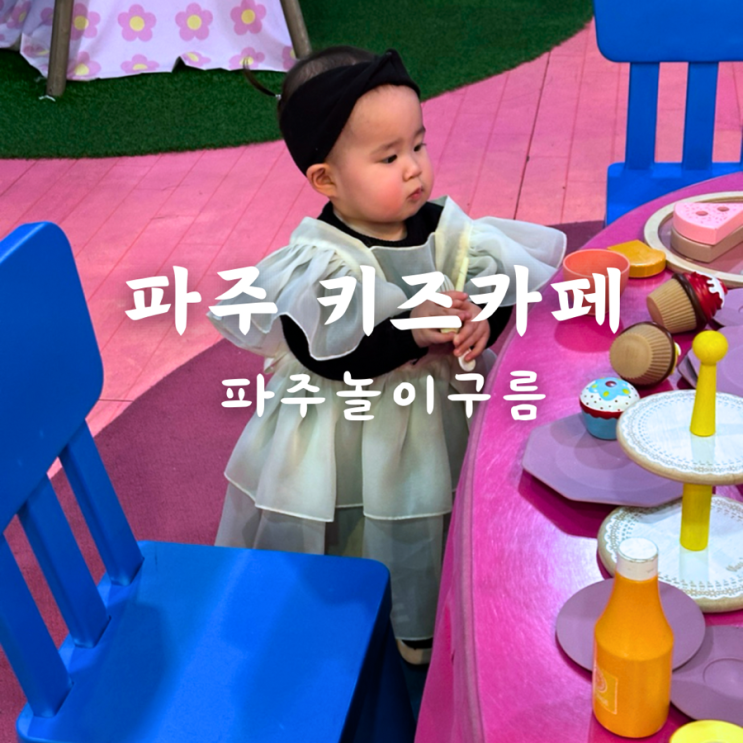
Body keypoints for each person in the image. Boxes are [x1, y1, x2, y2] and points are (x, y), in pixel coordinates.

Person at [208, 46, 566, 664]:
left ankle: (439, 614)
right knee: (364, 518)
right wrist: (411, 332)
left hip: (441, 412)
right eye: (388, 157)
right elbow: (328, 357)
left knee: (437, 503)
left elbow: (494, 285)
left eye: (418, 145)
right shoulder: (319, 261)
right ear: (326, 179)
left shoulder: (448, 231)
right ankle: (359, 622)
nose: (414, 169)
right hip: (348, 430)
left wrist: (483, 321)